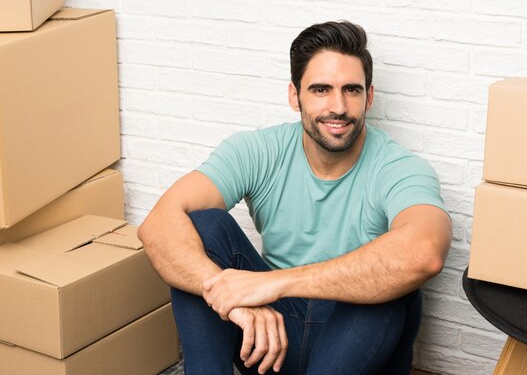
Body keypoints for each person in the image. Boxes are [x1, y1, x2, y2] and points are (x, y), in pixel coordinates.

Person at [138, 21, 452, 375]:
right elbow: (158, 224)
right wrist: (236, 301)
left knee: (391, 280)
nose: (339, 106)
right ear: (294, 96)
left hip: (352, 344)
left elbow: (425, 253)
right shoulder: (257, 150)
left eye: (352, 89)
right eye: (321, 89)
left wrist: (271, 283)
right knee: (203, 226)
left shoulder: (400, 168)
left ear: (370, 96)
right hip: (272, 340)